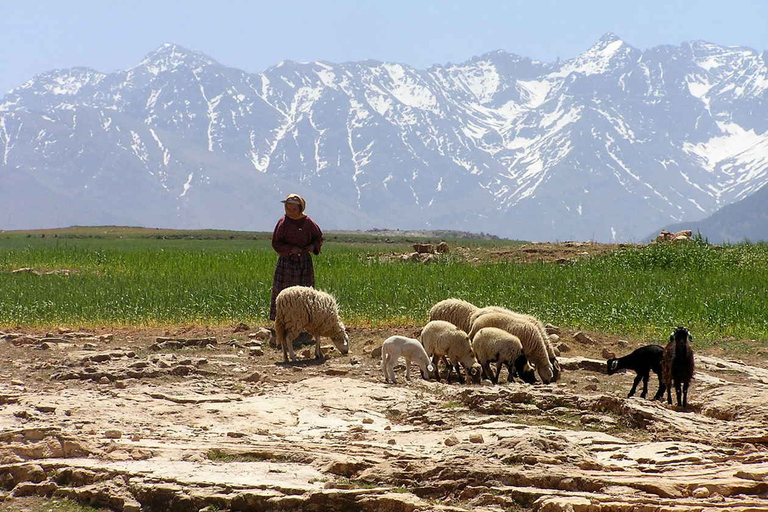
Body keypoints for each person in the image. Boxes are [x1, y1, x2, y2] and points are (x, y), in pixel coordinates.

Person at [269, 194, 324, 321]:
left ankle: (304, 323)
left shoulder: (309, 223)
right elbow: (276, 243)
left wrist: (312, 246)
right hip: (287, 263)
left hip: (304, 263)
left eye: (294, 209)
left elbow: (319, 238)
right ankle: (282, 323)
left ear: (301, 209)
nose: (291, 212)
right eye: (288, 209)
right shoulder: (283, 223)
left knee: (304, 293)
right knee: (284, 293)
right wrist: (290, 249)